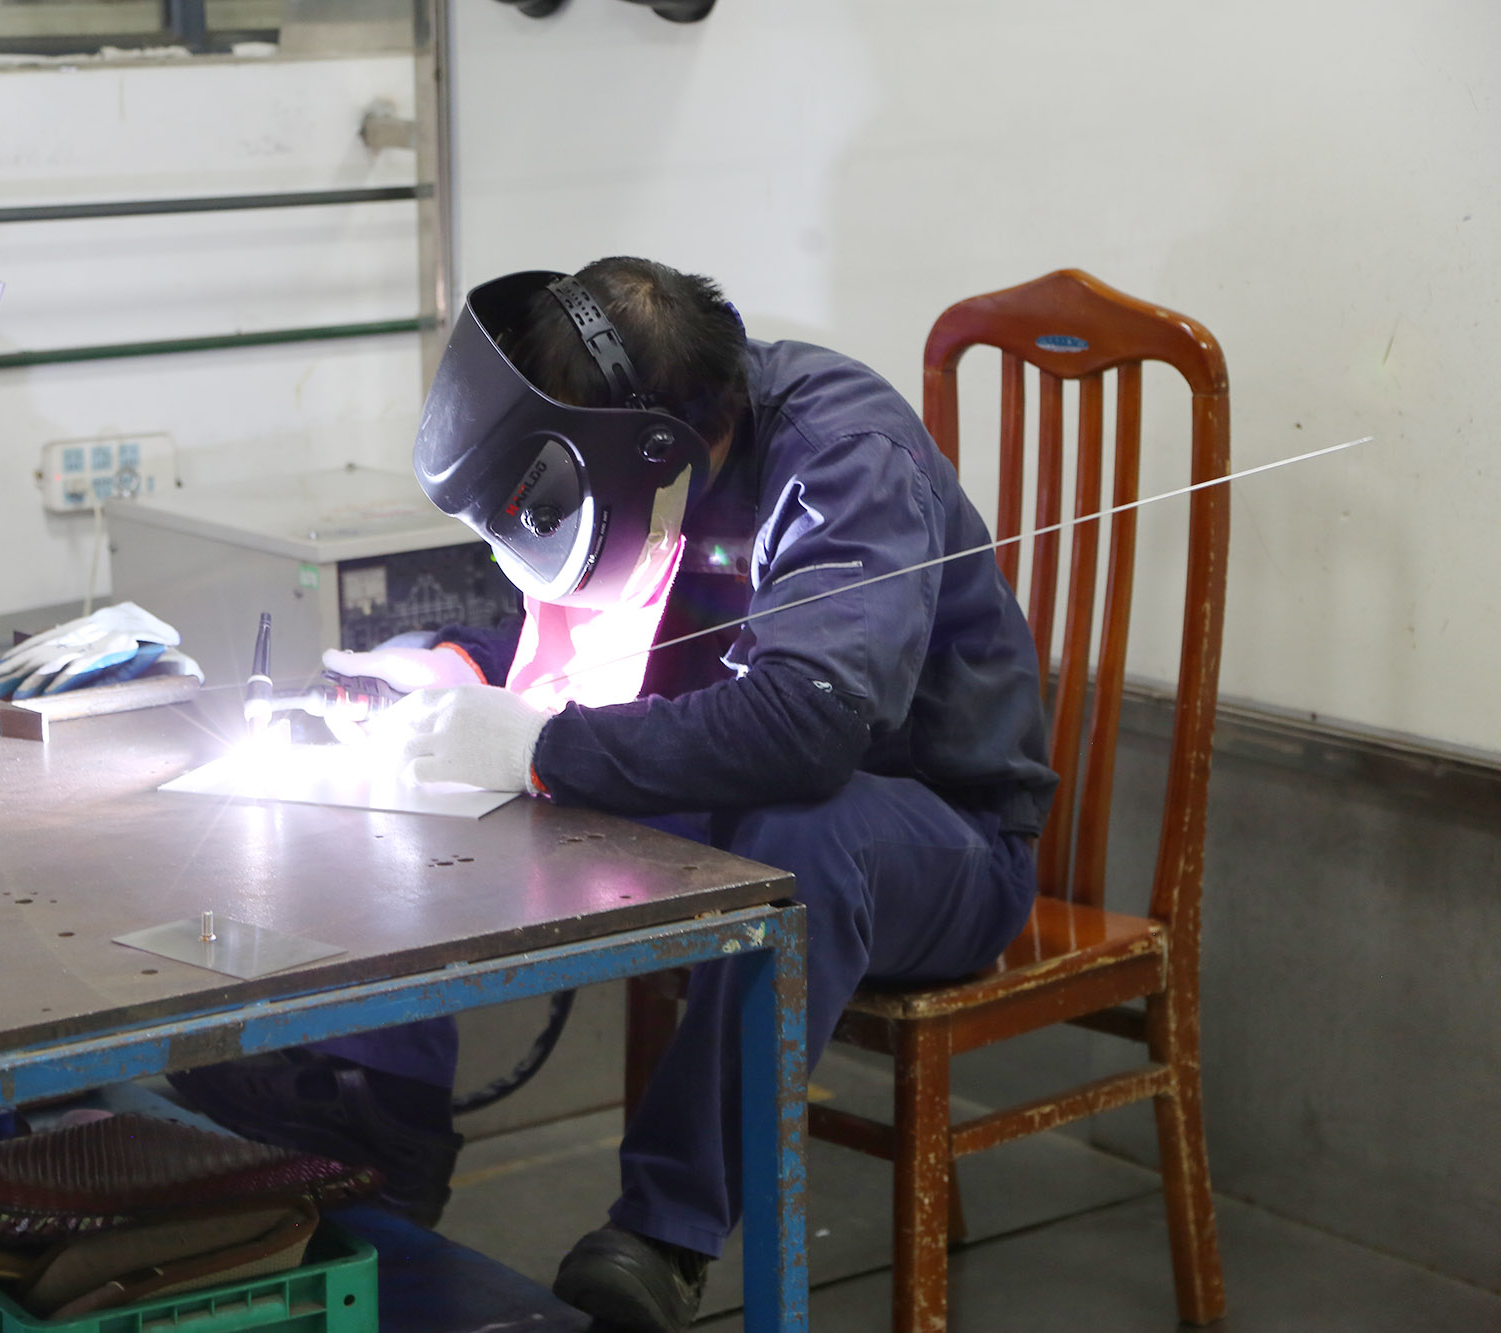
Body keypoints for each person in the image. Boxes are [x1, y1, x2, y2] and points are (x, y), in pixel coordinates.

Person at [172, 258, 1057, 1333]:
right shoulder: (662, 455)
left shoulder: (842, 456)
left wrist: (538, 745)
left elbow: (810, 725)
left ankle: (664, 1237)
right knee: (426, 770)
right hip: (746, 796)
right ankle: (379, 1107)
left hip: (943, 839)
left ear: (654, 452)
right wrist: (456, 667)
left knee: (799, 839)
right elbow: (598, 653)